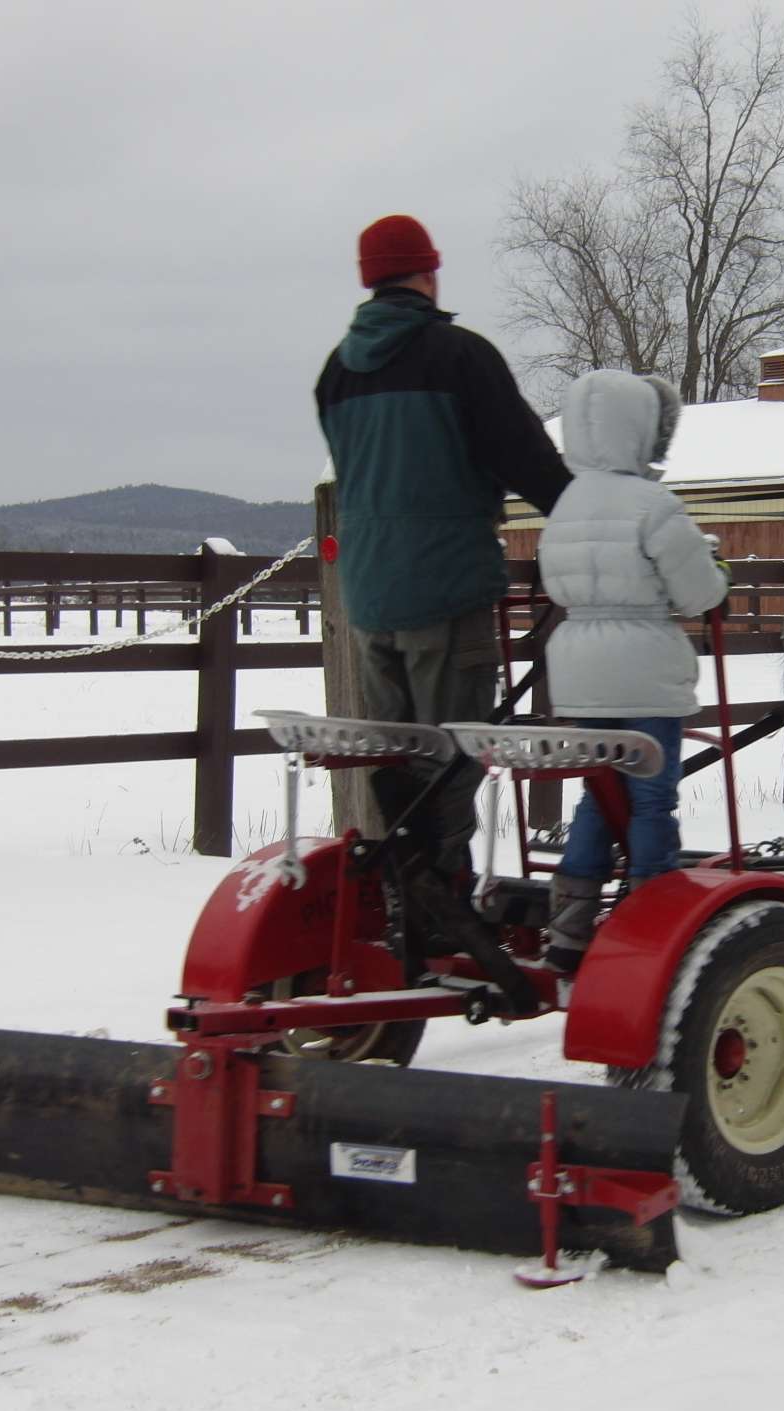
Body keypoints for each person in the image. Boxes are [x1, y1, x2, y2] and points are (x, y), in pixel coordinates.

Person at [315, 214, 570, 878]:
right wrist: (588, 518)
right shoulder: (459, 356)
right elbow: (526, 458)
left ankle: (401, 892)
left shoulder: (336, 374)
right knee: (453, 756)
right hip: (447, 587)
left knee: (395, 753)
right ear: (428, 271)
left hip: (369, 595)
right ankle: (446, 904)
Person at [536, 369, 728, 970]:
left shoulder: (565, 503)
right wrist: (714, 574)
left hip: (575, 667)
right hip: (643, 667)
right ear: (643, 428)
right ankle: (651, 913)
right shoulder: (653, 503)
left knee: (599, 795)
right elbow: (699, 591)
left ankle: (569, 930)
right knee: (651, 799)